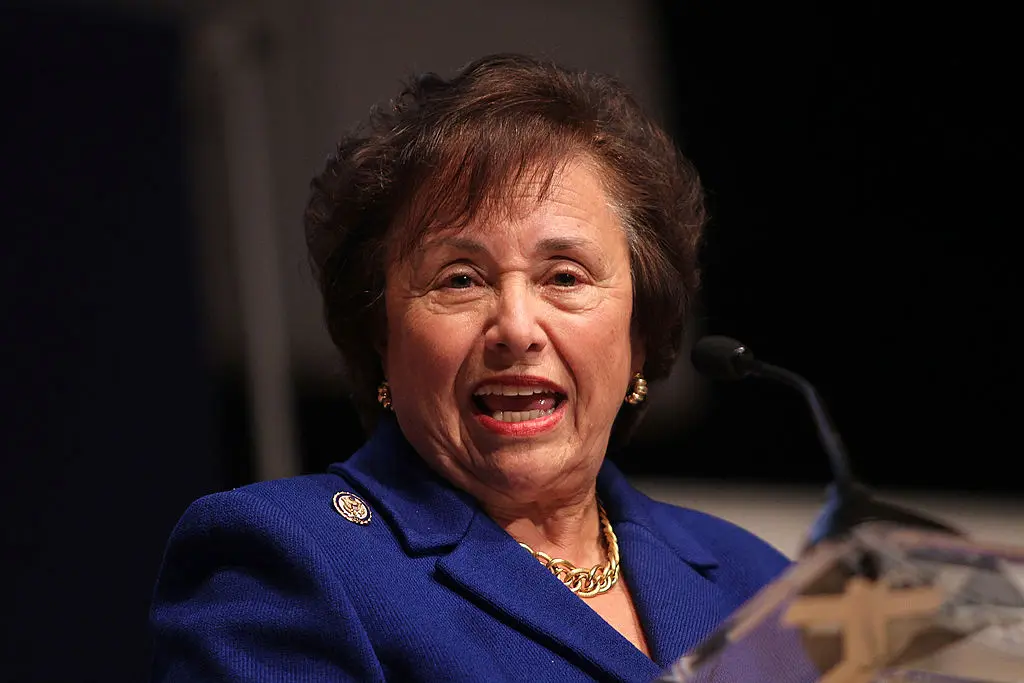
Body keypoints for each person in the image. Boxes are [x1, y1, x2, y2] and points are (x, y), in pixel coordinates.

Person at [150, 53, 791, 682]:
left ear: (640, 334)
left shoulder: (759, 583)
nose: (516, 328)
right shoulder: (287, 559)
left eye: (564, 276)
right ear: (380, 335)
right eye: (460, 279)